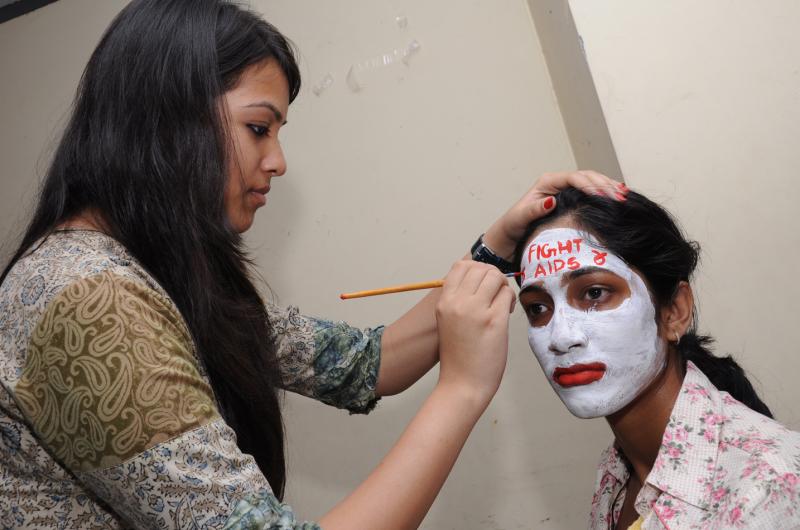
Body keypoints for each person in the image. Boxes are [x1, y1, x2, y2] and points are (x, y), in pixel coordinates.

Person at [0, 0, 624, 528]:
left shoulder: (162, 274)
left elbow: (366, 364)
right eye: (258, 128)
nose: (278, 161)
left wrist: (498, 243)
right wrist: (463, 390)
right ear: (165, 121)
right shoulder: (90, 300)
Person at [514, 187, 800, 529]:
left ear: (674, 311)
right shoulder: (615, 471)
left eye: (594, 293)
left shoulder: (769, 485)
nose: (561, 337)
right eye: (537, 308)